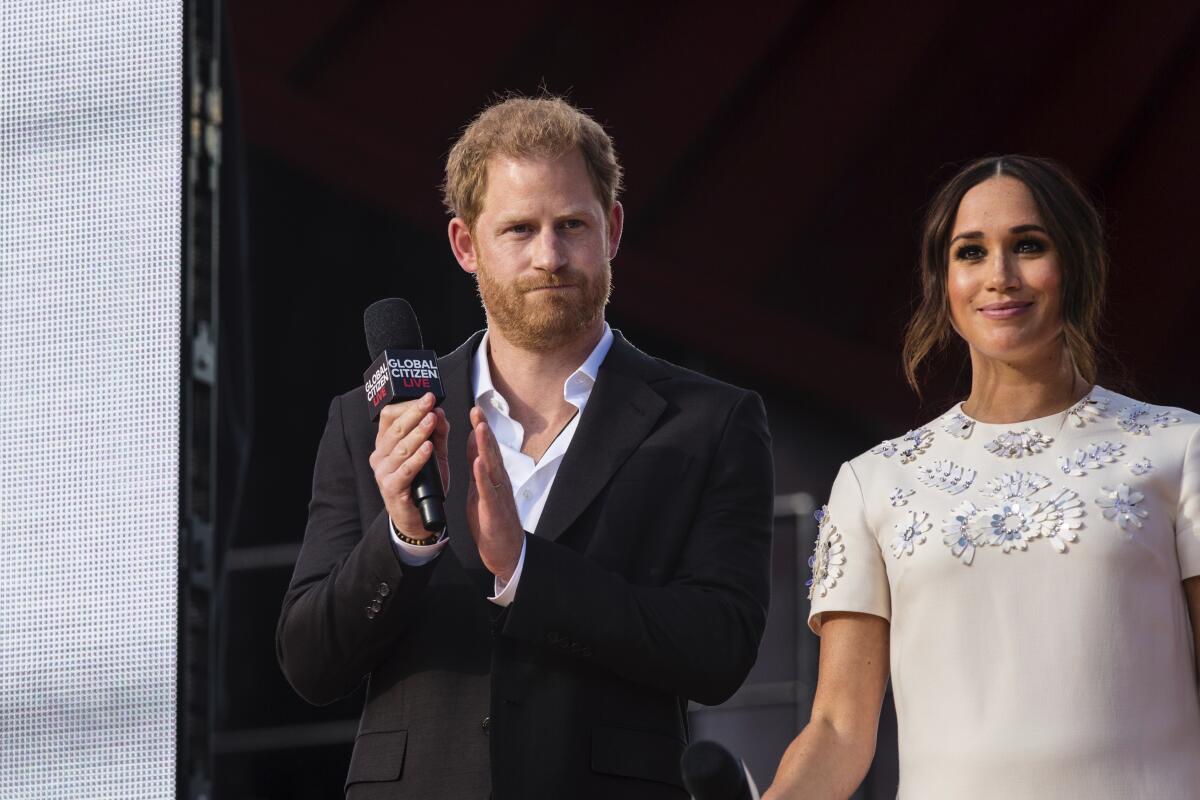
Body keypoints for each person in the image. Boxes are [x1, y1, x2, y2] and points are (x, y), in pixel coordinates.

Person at [276, 96, 774, 799]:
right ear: (465, 245)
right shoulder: (369, 424)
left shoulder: (711, 421)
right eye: (519, 229)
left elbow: (720, 650)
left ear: (614, 229)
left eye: (572, 225)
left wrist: (524, 572)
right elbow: (308, 662)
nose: (550, 256)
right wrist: (405, 540)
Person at [765, 155, 1200, 799]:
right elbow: (837, 728)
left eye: (1028, 246)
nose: (999, 277)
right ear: (944, 281)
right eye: (971, 252)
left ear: (1074, 265)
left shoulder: (1180, 448)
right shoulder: (874, 482)